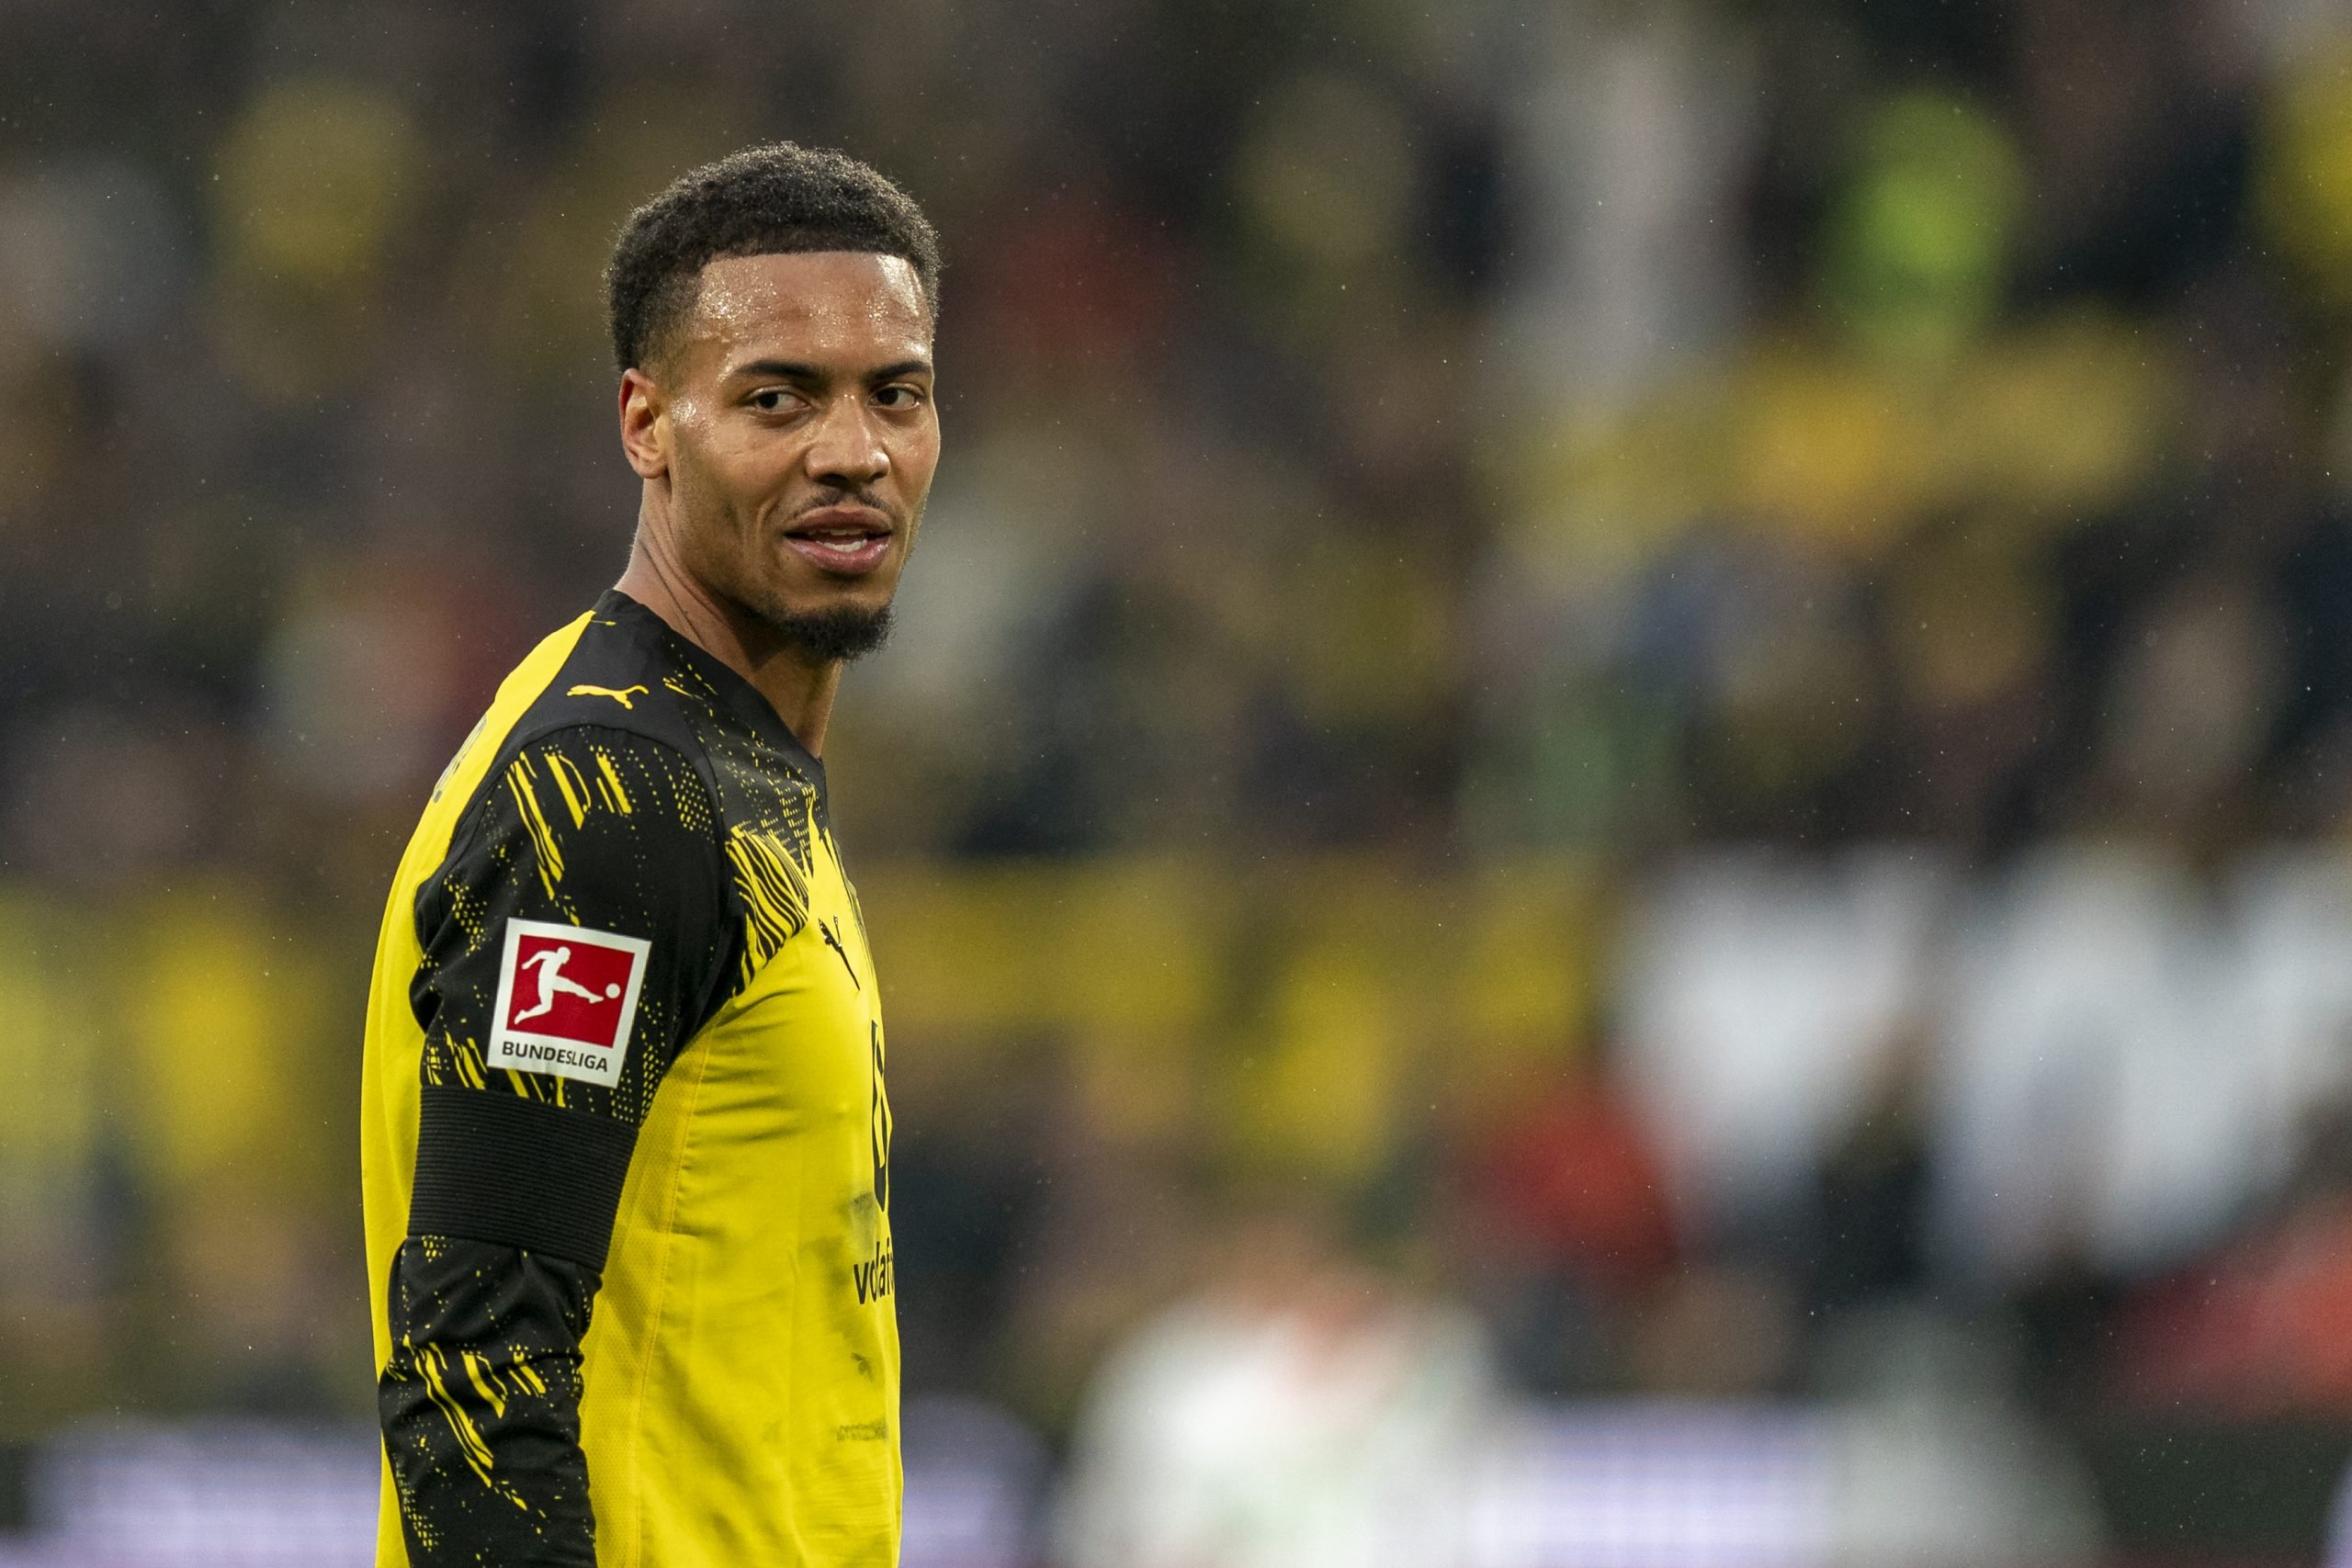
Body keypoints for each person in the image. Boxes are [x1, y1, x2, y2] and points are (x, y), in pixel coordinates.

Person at [358, 142, 942, 1566]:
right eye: (775, 398)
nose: (853, 451)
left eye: (896, 394)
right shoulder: (616, 805)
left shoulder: (714, 763)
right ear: (647, 424)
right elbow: (475, 1382)